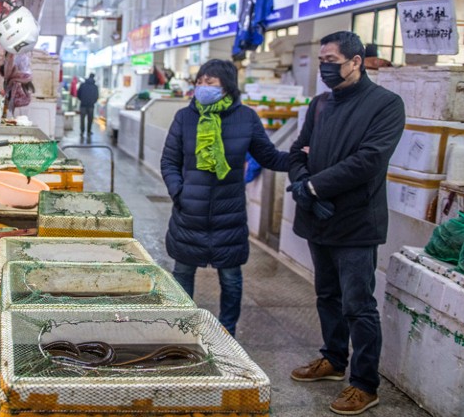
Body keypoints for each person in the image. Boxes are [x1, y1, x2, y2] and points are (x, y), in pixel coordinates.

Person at [287, 31, 405, 415]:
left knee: (358, 304)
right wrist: (302, 183)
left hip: (356, 221)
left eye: (332, 61)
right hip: (318, 220)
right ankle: (334, 361)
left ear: (356, 62)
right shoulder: (320, 104)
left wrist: (315, 187)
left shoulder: (385, 105)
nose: (325, 68)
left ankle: (364, 384)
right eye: (322, 61)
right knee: (326, 295)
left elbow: (369, 160)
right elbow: (295, 151)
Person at [160, 59, 288, 336]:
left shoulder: (246, 118)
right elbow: (169, 161)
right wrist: (178, 192)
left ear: (227, 86)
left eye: (210, 82)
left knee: (230, 278)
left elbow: (269, 156)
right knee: (182, 273)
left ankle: (227, 328)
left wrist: (303, 158)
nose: (203, 87)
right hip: (189, 211)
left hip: (228, 213)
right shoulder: (185, 117)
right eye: (200, 82)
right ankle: (182, 327)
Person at [76, 73, 99, 139]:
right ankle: (89, 131)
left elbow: (78, 94)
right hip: (91, 106)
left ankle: (82, 132)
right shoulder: (95, 87)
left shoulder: (82, 85)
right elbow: (97, 96)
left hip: (83, 105)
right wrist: (92, 102)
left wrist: (82, 100)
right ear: (93, 77)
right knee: (90, 119)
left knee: (82, 119)